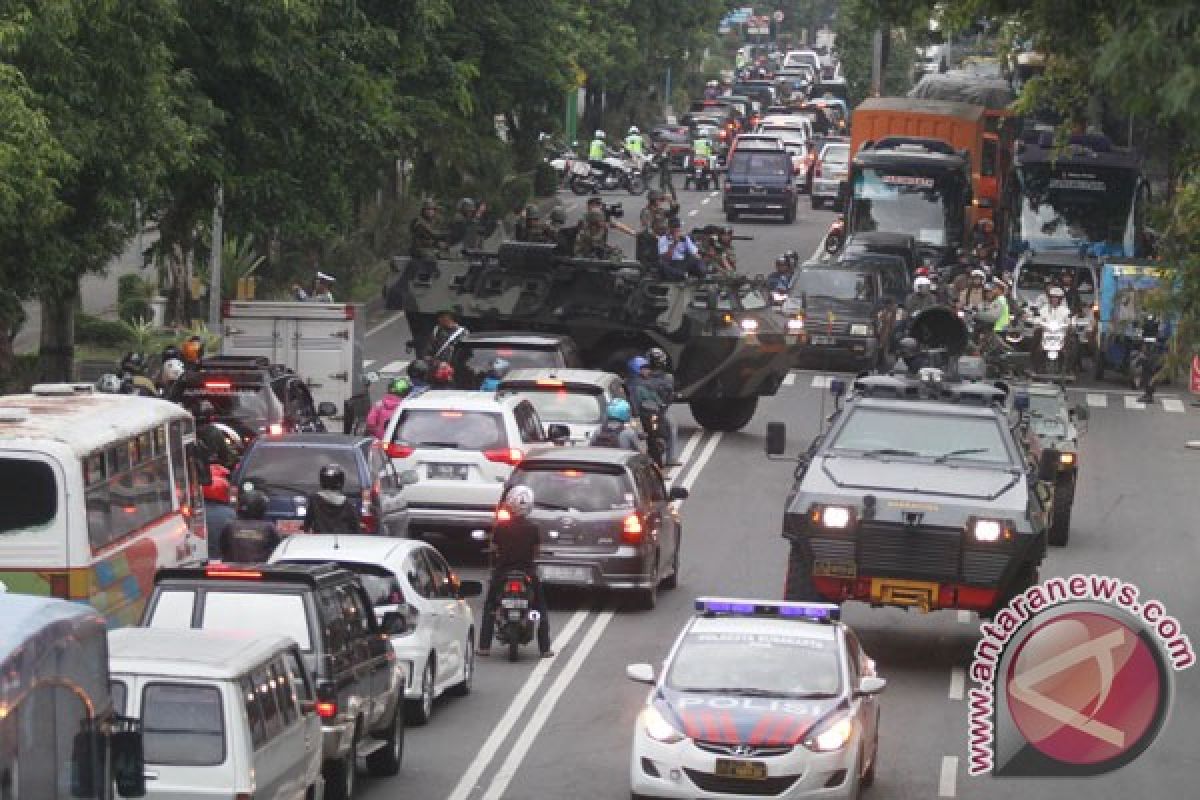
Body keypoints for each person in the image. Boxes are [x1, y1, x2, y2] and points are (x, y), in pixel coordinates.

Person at [478, 486, 553, 658]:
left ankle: (484, 646)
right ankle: (545, 648)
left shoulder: (501, 527)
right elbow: (536, 551)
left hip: (503, 573)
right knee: (540, 608)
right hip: (527, 572)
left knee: (490, 606)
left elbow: (494, 548)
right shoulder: (533, 528)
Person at [218, 490, 280, 563]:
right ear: (262, 509)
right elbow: (277, 550)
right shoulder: (269, 527)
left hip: (232, 570)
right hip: (260, 570)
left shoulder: (229, 526)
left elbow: (223, 548)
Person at [642, 348, 679, 465]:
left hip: (644, 411)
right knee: (672, 426)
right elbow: (669, 397)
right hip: (660, 410)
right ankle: (670, 458)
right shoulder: (668, 377)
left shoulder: (643, 375)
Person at [302, 464, 362, 533]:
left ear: (322, 481)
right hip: (343, 540)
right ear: (341, 481)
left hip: (320, 540)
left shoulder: (315, 500)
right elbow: (356, 528)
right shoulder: (347, 504)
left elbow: (307, 524)